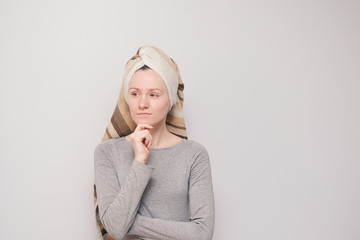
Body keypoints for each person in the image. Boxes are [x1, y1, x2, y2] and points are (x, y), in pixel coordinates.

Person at [94, 46, 215, 240]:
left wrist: (130, 223)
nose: (142, 103)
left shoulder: (194, 154)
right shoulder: (107, 152)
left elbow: (202, 233)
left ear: (171, 100)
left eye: (154, 94)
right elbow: (115, 229)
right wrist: (140, 161)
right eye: (135, 94)